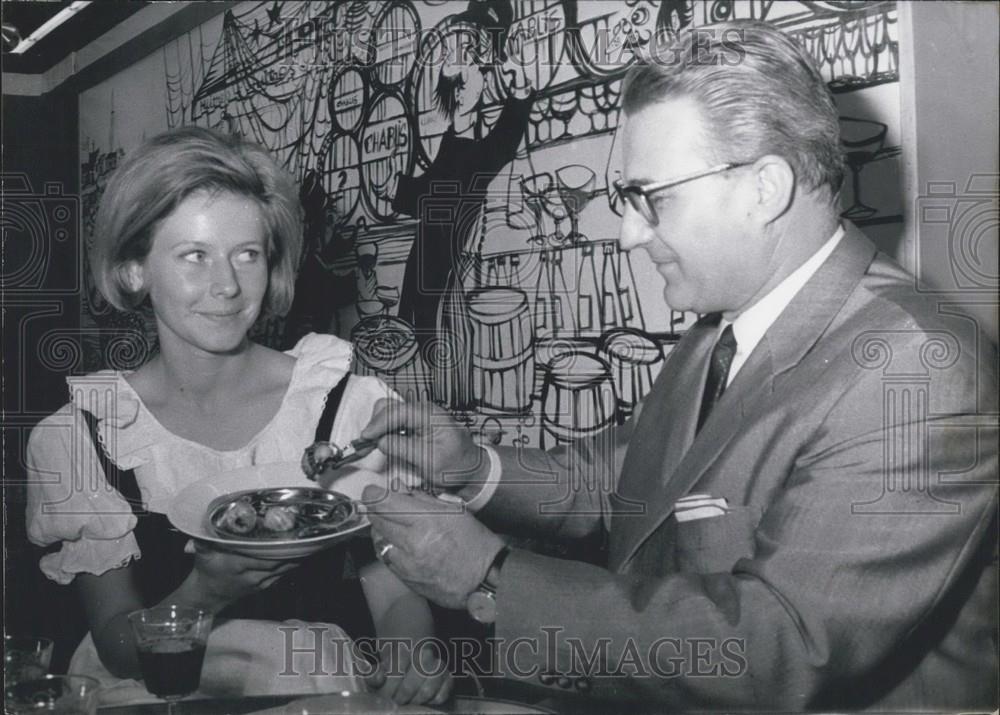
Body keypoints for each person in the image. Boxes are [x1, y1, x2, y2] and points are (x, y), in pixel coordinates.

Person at [355, 20, 998, 712]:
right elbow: (625, 483)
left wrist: (491, 575)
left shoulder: (916, 370)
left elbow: (775, 643)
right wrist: (472, 467)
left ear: (764, 189)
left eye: (651, 199)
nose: (630, 235)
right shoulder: (721, 326)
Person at [25, 126, 451, 707]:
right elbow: (119, 648)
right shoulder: (85, 435)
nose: (226, 285)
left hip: (316, 691)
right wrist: (204, 592)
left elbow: (394, 592)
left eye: (246, 254)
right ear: (134, 271)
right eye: (194, 256)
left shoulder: (341, 405)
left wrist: (411, 651)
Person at [393, 0, 534, 410]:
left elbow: (499, 147)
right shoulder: (452, 144)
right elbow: (425, 196)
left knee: (432, 362)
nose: (462, 64)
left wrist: (521, 94)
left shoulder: (466, 153)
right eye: (461, 57)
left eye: (471, 57)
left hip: (441, 281)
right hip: (426, 275)